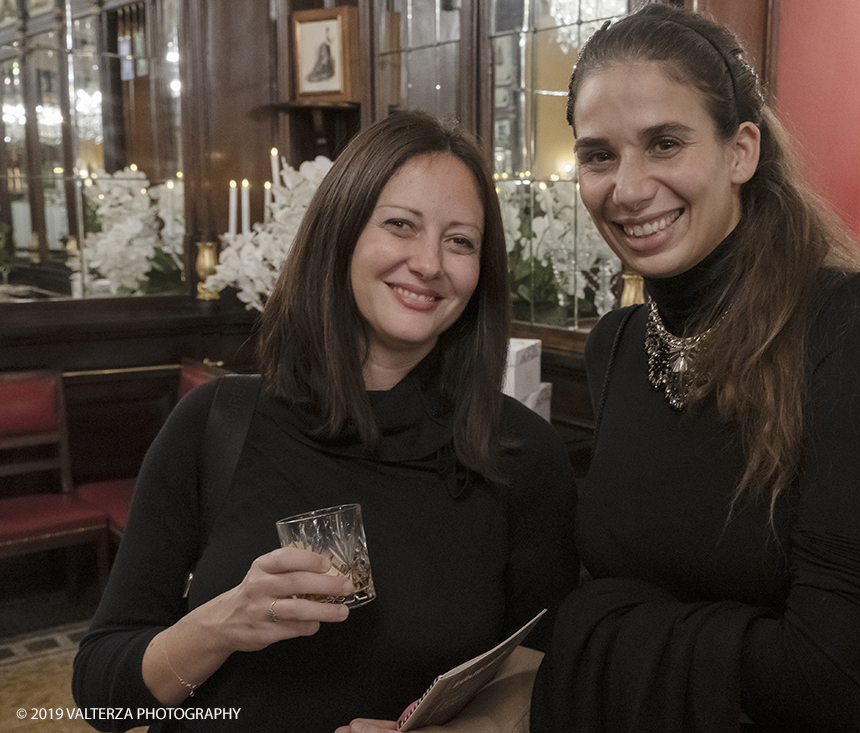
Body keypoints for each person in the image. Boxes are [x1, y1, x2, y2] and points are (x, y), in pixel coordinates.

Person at [72, 110, 579, 733]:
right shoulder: (216, 424)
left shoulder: (522, 453)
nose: (429, 262)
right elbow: (101, 695)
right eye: (400, 225)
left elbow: (541, 668)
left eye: (460, 241)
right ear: (340, 235)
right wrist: (220, 625)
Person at [529, 5, 860, 732]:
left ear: (741, 150)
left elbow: (832, 677)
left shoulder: (855, 325)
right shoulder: (614, 345)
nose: (626, 187)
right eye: (598, 154)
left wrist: (590, 621)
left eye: (664, 143)